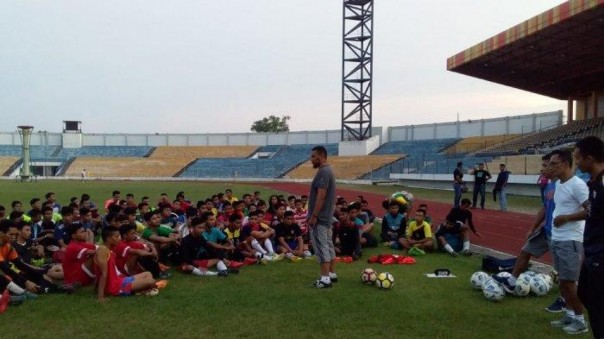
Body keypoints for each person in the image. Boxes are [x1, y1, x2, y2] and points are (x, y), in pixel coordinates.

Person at [492, 153, 566, 312]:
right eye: (545, 165)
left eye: (547, 165)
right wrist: (533, 227)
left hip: (559, 234)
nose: (543, 168)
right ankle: (511, 282)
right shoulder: (549, 186)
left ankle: (564, 299)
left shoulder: (564, 185)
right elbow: (545, 208)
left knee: (561, 269)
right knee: (525, 251)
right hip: (545, 230)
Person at [547, 149, 589, 334]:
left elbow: (591, 210)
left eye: (554, 164)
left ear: (565, 163)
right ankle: (570, 315)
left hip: (571, 239)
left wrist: (566, 218)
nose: (550, 167)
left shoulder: (578, 185)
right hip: (558, 238)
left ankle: (581, 320)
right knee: (563, 281)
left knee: (570, 282)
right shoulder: (559, 184)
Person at [574, 136, 604, 338]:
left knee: (597, 305)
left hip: (601, 255)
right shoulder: (592, 183)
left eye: (578, 158)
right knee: (584, 293)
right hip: (592, 251)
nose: (576, 162)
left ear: (590, 158)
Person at [95, 227, 158, 302]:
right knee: (150, 281)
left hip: (119, 280)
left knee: (148, 274)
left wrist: (95, 288)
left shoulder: (109, 250)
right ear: (108, 238)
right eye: (117, 236)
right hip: (114, 286)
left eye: (119, 236)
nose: (119, 238)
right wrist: (100, 297)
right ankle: (140, 290)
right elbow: (103, 274)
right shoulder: (102, 250)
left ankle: (139, 290)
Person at [307, 145, 337, 288]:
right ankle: (331, 273)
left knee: (321, 246)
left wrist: (314, 216)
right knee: (328, 245)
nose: (311, 159)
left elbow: (321, 195)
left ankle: (325, 279)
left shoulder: (323, 172)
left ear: (321, 156)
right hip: (326, 217)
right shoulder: (327, 171)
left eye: (313, 157)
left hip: (320, 218)